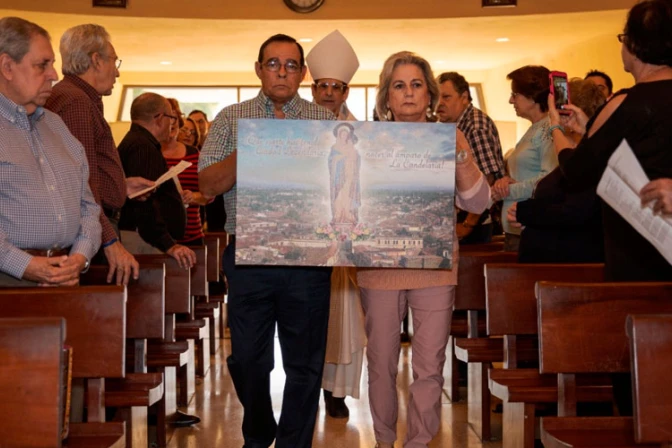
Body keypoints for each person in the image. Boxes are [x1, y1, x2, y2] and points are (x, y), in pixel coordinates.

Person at [198, 34, 335, 448]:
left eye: (291, 65)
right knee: (249, 360)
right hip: (249, 255)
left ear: (302, 73)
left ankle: (294, 443)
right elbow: (207, 184)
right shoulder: (232, 117)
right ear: (258, 69)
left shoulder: (324, 122)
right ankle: (258, 430)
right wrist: (256, 145)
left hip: (309, 259)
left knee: (305, 364)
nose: (281, 71)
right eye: (273, 63)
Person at [547, 0, 672, 414]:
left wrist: (561, 137)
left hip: (636, 252)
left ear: (633, 45)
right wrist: (588, 130)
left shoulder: (625, 102)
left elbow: (579, 171)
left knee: (639, 365)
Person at [359, 51, 489, 448]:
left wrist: (459, 152)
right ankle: (384, 442)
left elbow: (478, 202)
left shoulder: (450, 138)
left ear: (430, 94)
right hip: (379, 265)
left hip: (434, 264)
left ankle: (419, 443)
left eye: (417, 85)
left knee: (429, 366)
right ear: (386, 97)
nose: (409, 93)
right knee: (381, 363)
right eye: (399, 85)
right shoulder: (367, 140)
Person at [44, 23, 155, 286]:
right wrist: (108, 239)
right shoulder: (76, 101)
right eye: (115, 61)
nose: (117, 72)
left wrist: (120, 185)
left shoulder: (78, 97)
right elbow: (83, 181)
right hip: (91, 230)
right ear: (96, 60)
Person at [0, 17, 101, 286]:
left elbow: (89, 207)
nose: (54, 74)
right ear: (7, 67)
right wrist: (26, 266)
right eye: (42, 65)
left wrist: (80, 257)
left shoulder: (56, 126)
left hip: (66, 276)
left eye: (53, 64)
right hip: (9, 283)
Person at [306, 29, 366, 420]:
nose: (329, 93)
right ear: (313, 91)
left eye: (336, 87)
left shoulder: (362, 134)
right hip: (313, 226)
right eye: (322, 86)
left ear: (346, 93)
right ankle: (308, 385)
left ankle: (337, 391)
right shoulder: (301, 130)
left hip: (345, 219)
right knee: (308, 316)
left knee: (343, 315)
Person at [509, 79, 606, 263]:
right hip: (557, 263)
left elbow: (575, 212)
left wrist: (527, 212)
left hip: (569, 268)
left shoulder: (585, 159)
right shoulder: (585, 154)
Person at [118, 93, 196, 270]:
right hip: (145, 240)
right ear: (160, 118)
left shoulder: (138, 141)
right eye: (171, 118)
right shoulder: (143, 147)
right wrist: (168, 244)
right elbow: (144, 203)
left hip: (144, 237)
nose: (172, 124)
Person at [491, 65, 558, 252]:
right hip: (518, 227)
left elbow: (548, 180)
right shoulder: (535, 128)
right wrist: (507, 182)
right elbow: (525, 174)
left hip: (530, 227)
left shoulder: (548, 129)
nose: (511, 100)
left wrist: (507, 191)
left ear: (533, 96)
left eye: (515, 94)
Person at [436, 71, 505, 243]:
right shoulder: (454, 126)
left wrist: (467, 225)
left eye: (446, 97)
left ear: (464, 97)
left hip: (474, 225)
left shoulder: (475, 126)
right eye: (437, 97)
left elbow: (487, 180)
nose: (439, 103)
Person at [162, 98, 208, 246]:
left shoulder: (194, 154)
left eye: (175, 118)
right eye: (168, 118)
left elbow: (209, 194)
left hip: (192, 236)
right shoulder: (149, 152)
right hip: (157, 237)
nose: (172, 123)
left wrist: (193, 196)